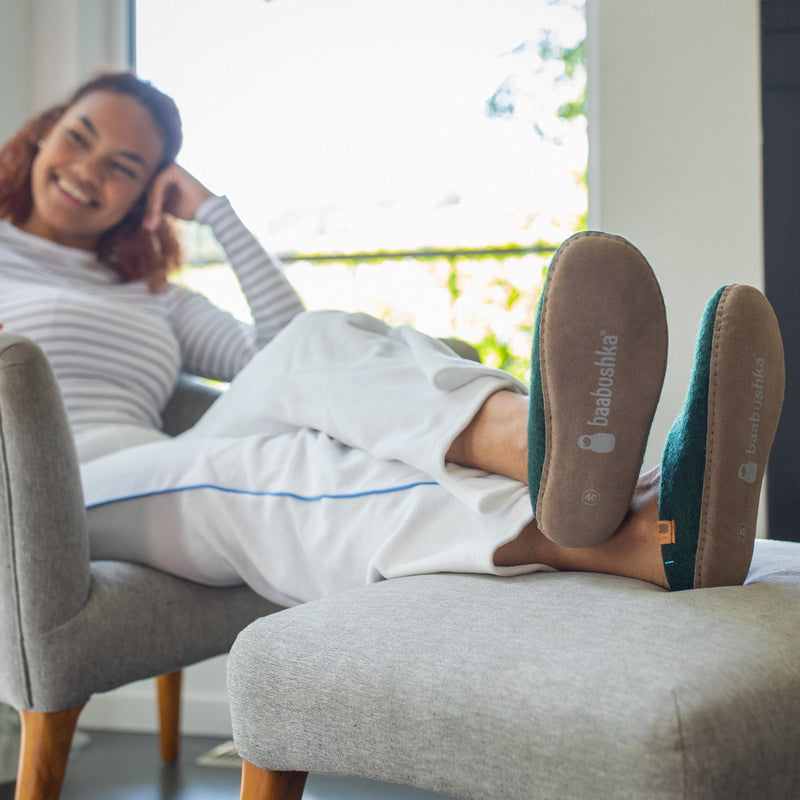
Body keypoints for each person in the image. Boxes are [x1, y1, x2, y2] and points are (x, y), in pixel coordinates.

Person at [0, 72, 785, 607]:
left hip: (155, 455)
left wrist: (216, 212)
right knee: (263, 472)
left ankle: (551, 457)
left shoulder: (155, 298)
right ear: (39, 137)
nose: (87, 170)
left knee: (312, 340)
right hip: (55, 488)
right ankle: (636, 510)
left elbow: (274, 350)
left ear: (145, 197)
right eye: (78, 138)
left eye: (124, 166)